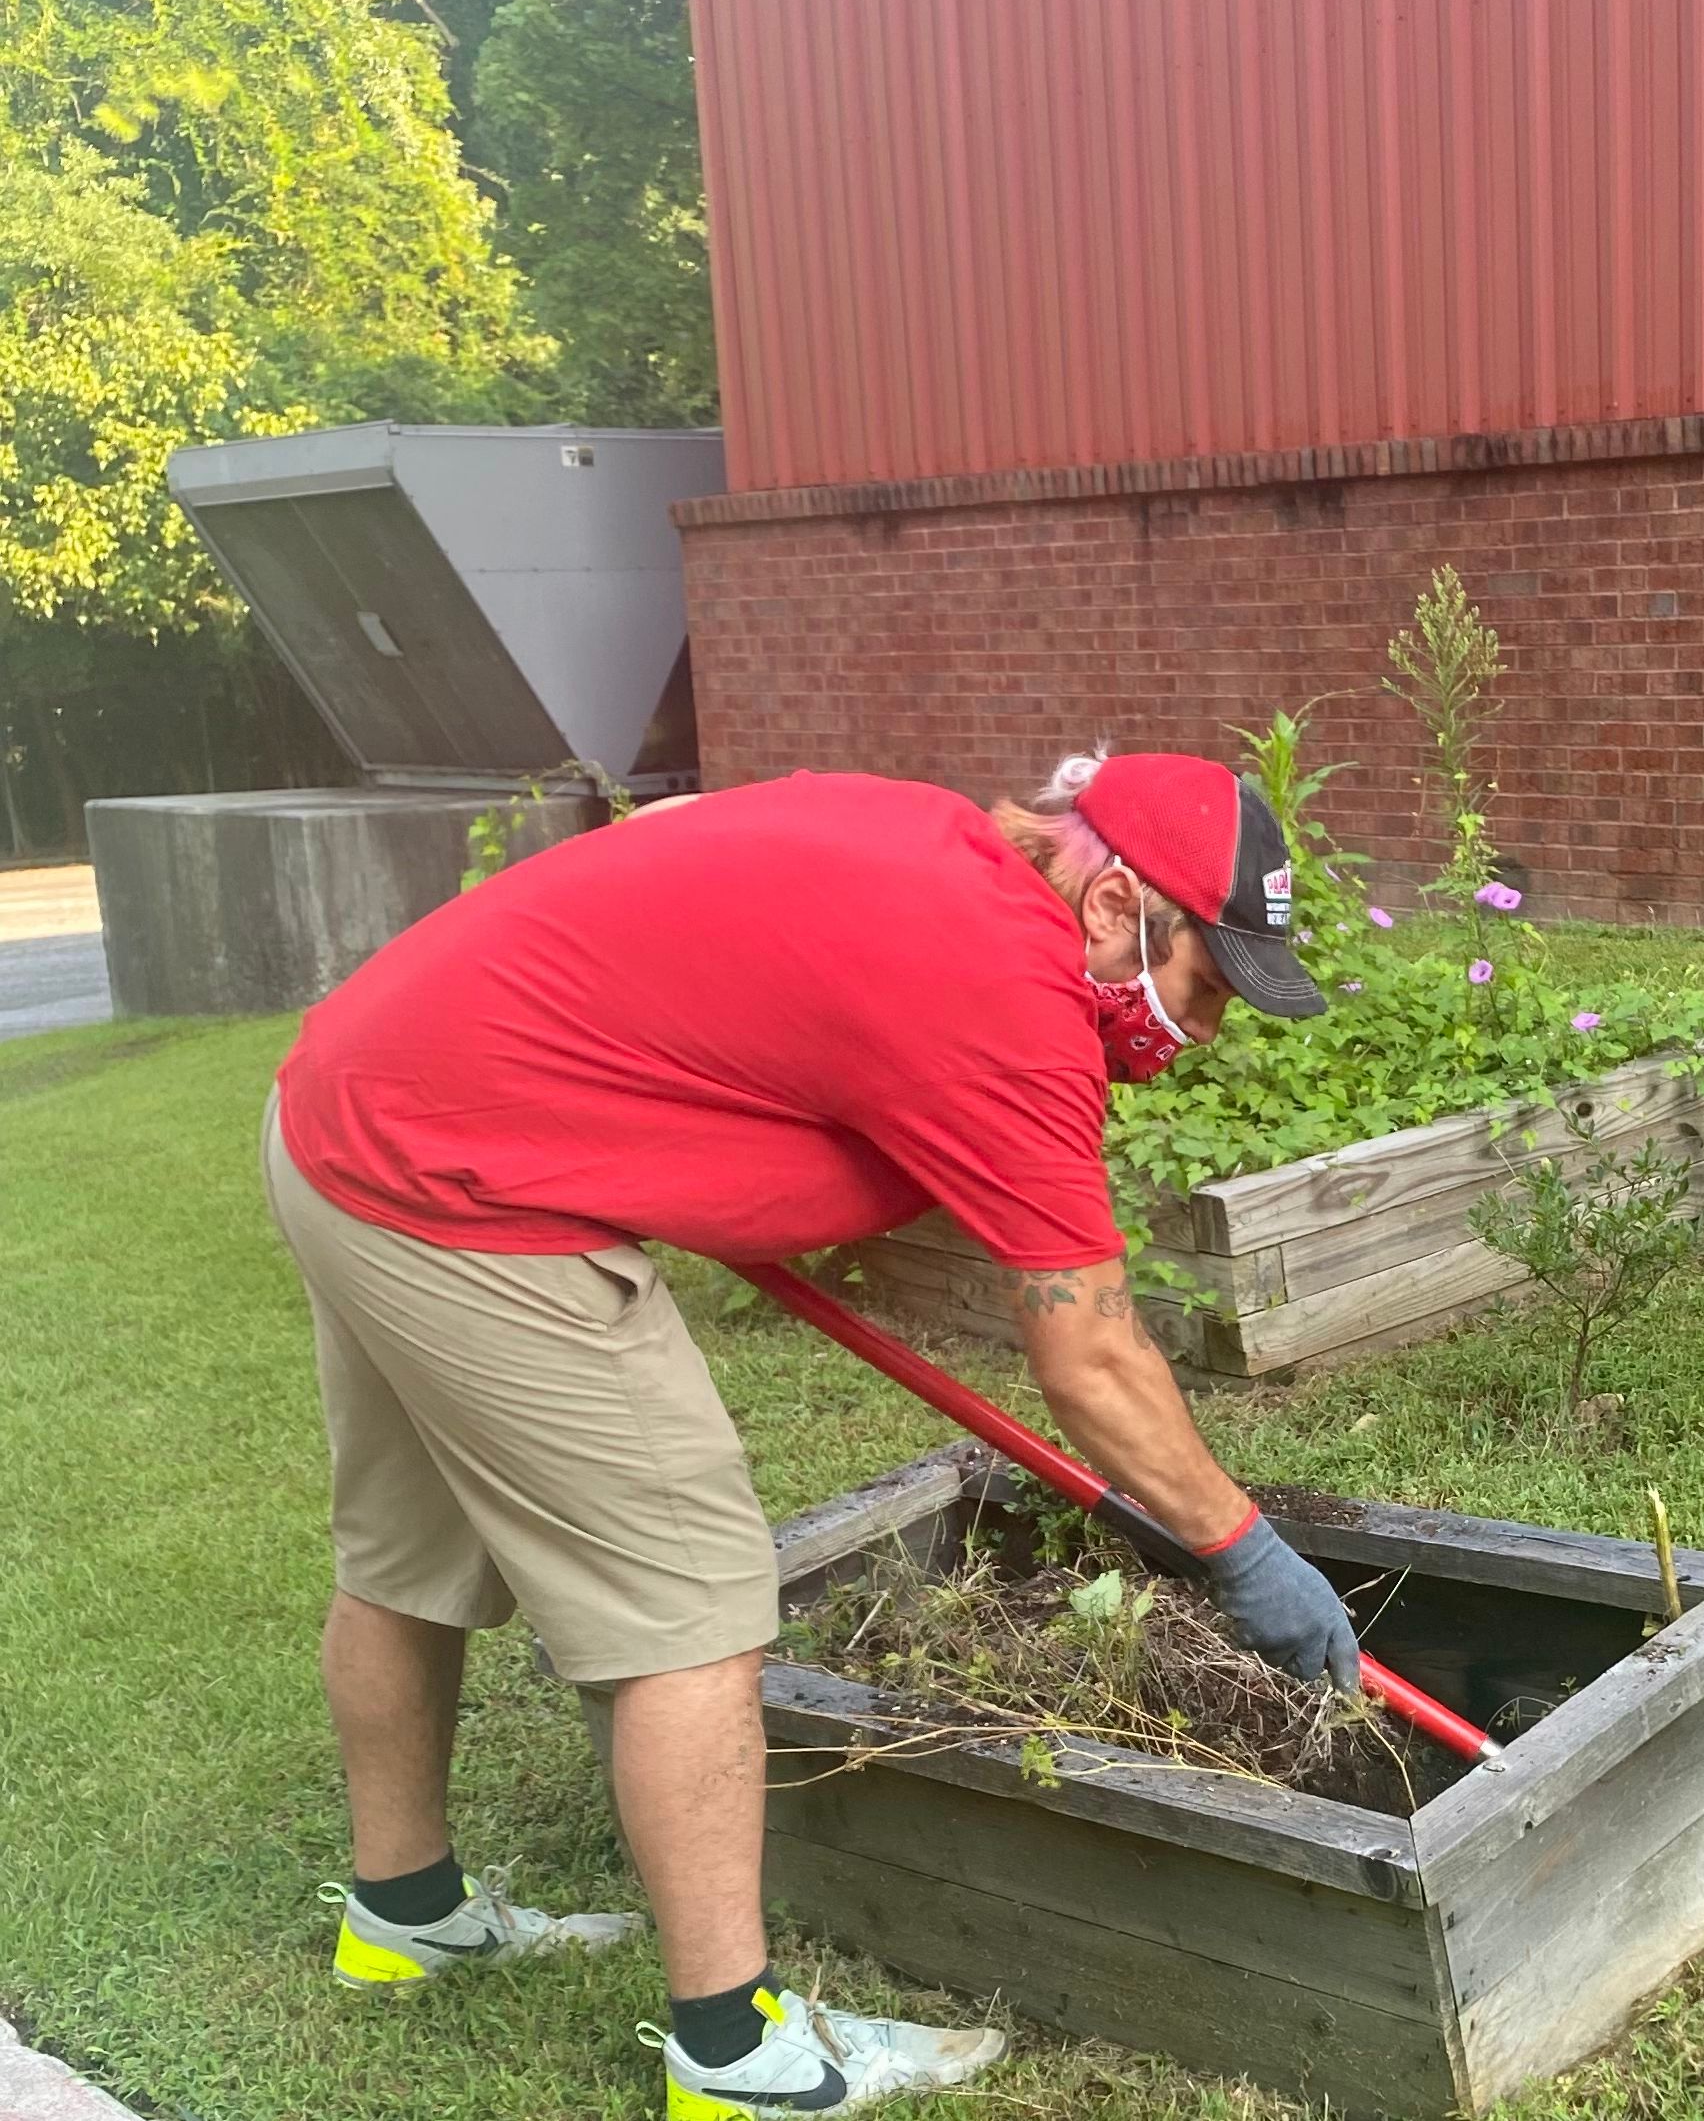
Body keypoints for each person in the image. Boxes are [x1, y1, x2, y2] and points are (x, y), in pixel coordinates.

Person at [263, 750, 1360, 2119]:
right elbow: (1091, 1356)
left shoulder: (929, 840)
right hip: (464, 1194)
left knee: (409, 1556)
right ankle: (741, 2061)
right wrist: (1242, 1550)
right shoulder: (1008, 1004)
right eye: (1205, 984)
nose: (1202, 1026)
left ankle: (406, 1915)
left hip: (349, 1111)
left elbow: (683, 865)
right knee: (694, 1610)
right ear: (1114, 905)